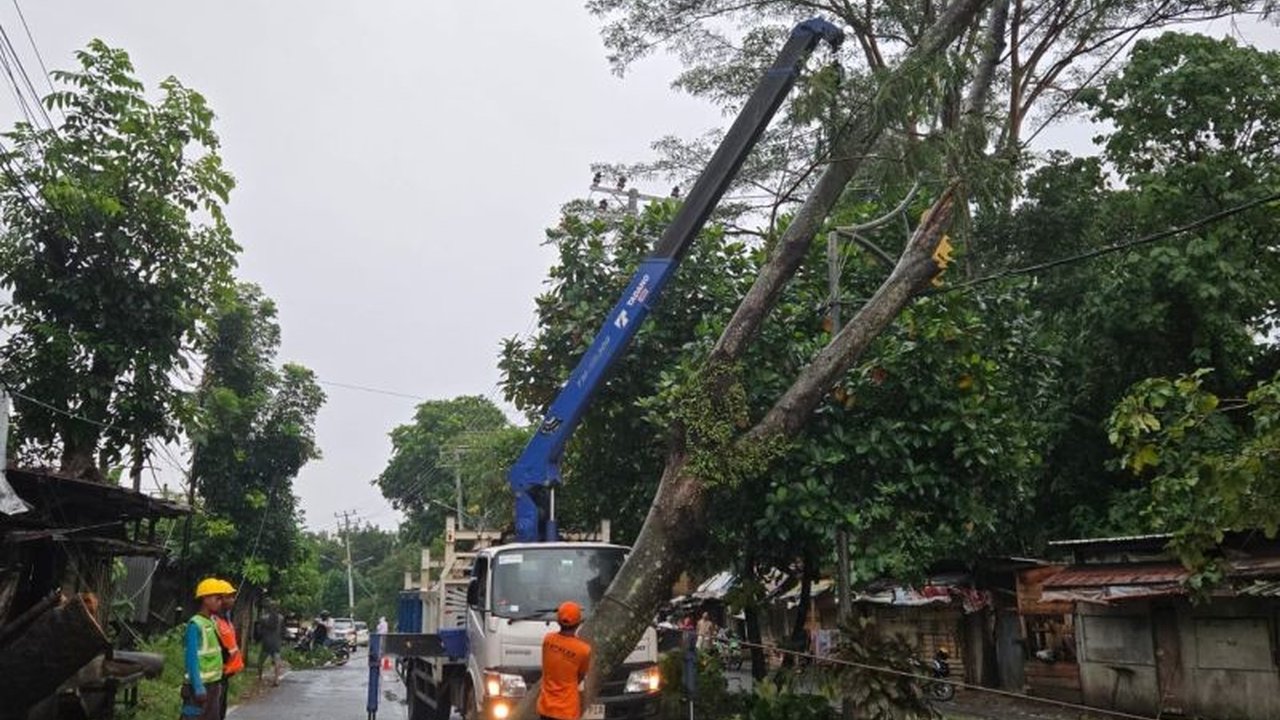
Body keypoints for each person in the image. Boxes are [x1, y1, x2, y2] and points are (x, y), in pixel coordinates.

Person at [181, 579, 228, 720]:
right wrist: (198, 686)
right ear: (205, 599)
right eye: (217, 598)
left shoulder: (212, 621)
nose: (221, 602)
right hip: (198, 688)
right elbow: (191, 658)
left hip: (213, 685)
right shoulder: (195, 624)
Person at [538, 601, 591, 720]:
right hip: (567, 711)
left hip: (546, 707)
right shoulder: (584, 650)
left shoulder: (548, 640)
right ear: (578, 623)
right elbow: (580, 676)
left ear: (558, 621)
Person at [213, 584, 244, 720]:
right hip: (215, 674)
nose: (233, 600)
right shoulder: (213, 621)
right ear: (219, 599)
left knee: (220, 709)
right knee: (214, 710)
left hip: (225, 673)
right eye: (229, 597)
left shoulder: (226, 619)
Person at [255, 600, 284, 687]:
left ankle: (260, 677)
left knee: (260, 661)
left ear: (268, 608)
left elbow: (260, 631)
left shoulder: (264, 618)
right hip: (276, 642)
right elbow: (282, 631)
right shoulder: (281, 618)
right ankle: (276, 679)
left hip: (266, 642)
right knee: (277, 661)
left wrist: (258, 638)